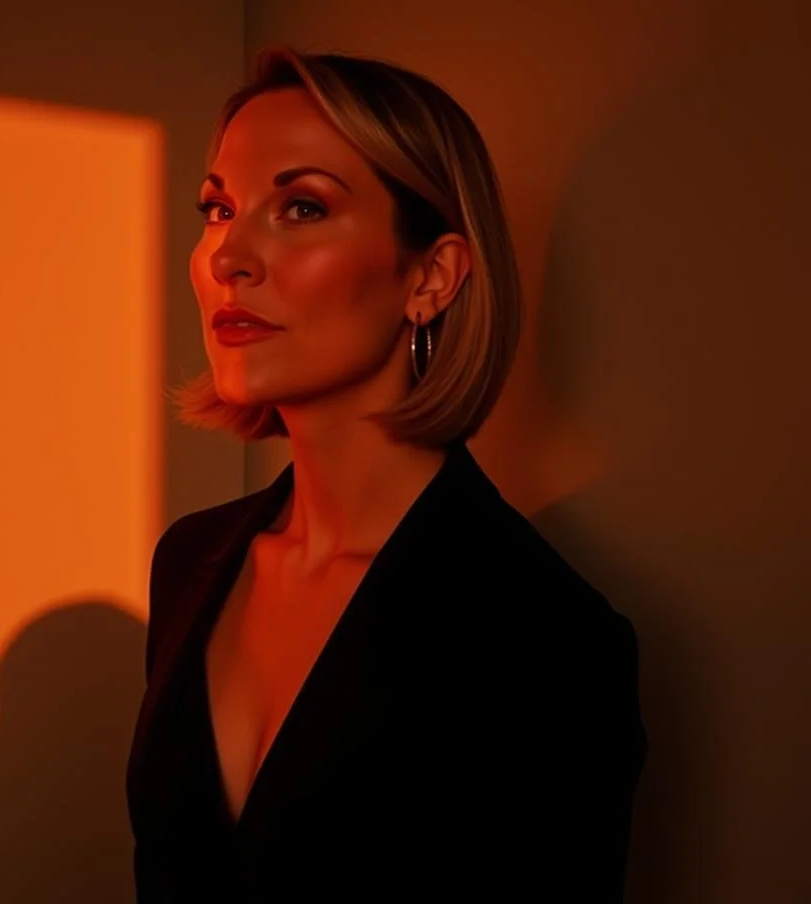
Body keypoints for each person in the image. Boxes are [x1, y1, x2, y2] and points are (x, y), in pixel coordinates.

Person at [126, 45, 646, 901]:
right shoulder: (190, 561)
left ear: (431, 277)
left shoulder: (547, 638)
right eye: (217, 209)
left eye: (299, 207)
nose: (228, 258)